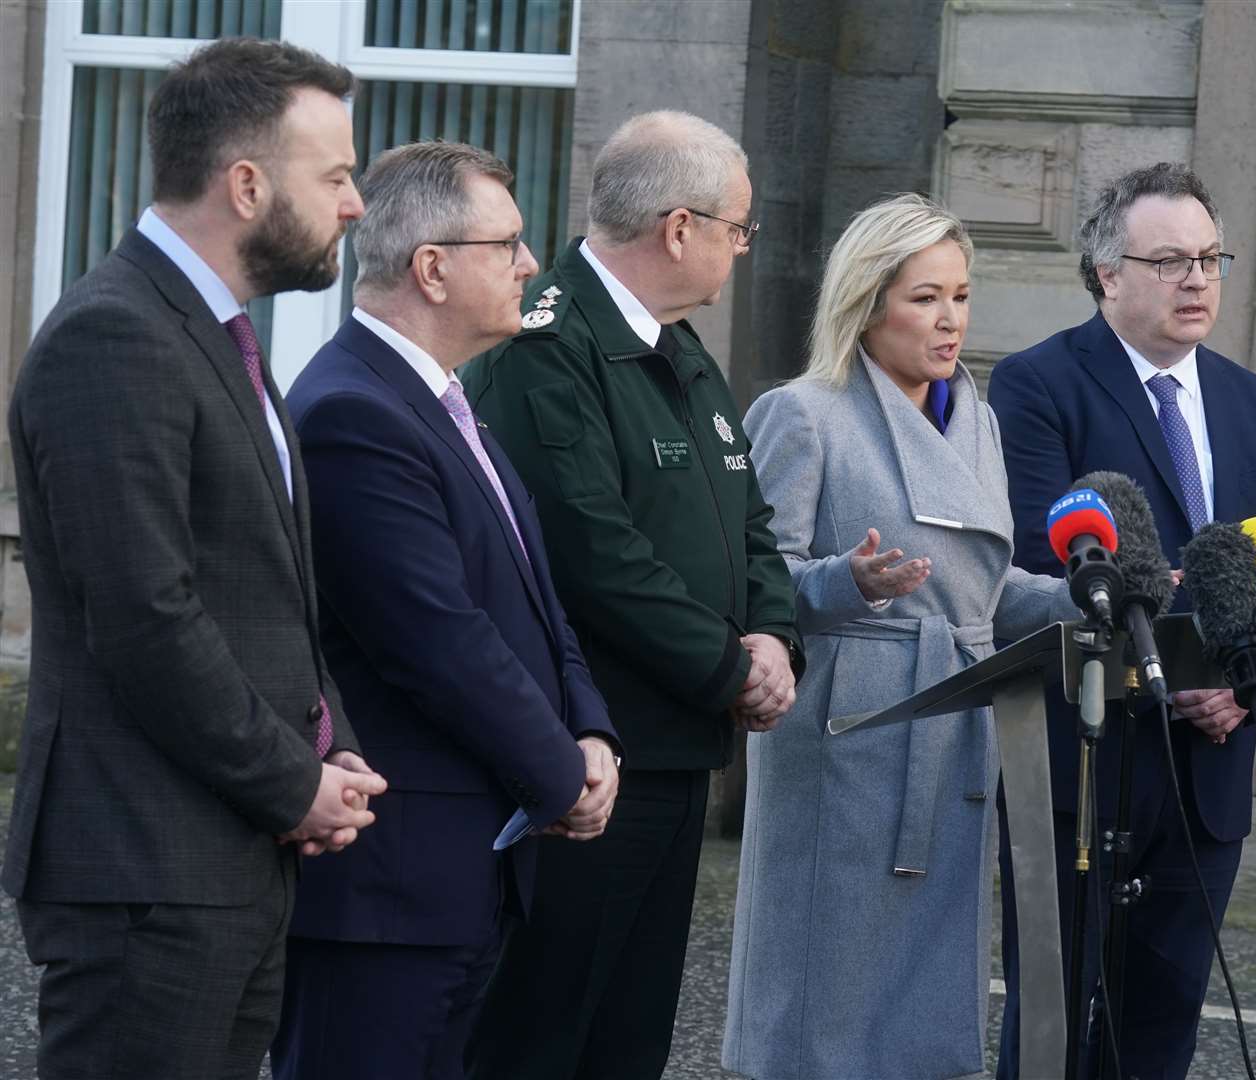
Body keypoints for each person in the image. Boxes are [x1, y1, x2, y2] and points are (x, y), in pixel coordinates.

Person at [2, 38, 385, 1080]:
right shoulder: (113, 336)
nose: (356, 204)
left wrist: (328, 742)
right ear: (247, 183)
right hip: (144, 866)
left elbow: (266, 594)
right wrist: (289, 783)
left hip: (226, 860)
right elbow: (144, 613)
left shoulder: (222, 339)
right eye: (338, 175)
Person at [459, 110, 803, 1078]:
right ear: (679, 227)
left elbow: (749, 522)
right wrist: (729, 665)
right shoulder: (545, 347)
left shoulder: (679, 351)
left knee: (630, 1033)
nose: (742, 249)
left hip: (677, 744)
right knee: (544, 1027)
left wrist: (774, 633)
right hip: (590, 756)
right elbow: (589, 550)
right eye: (738, 227)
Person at [268, 141, 622, 1079]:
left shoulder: (443, 401)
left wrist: (590, 730)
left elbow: (539, 602)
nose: (531, 264)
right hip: (389, 892)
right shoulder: (354, 411)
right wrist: (561, 774)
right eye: (506, 244)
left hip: (462, 873)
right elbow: (437, 640)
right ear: (432, 267)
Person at [722, 192, 1078, 1078]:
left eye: (959, 294)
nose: (949, 319)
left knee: (917, 1010)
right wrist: (851, 580)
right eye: (924, 297)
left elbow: (986, 594)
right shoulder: (803, 413)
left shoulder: (977, 419)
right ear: (868, 299)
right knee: (825, 1001)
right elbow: (753, 585)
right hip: (850, 738)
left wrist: (1095, 601)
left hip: (955, 726)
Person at [990, 162, 1256, 1078]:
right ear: (1105, 274)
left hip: (1208, 765)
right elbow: (1043, 560)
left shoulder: (1255, 401)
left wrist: (1239, 684)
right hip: (1086, 762)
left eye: (1209, 258)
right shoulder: (1037, 386)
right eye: (1168, 261)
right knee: (1049, 1035)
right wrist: (1181, 665)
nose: (1196, 279)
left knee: (1160, 1034)